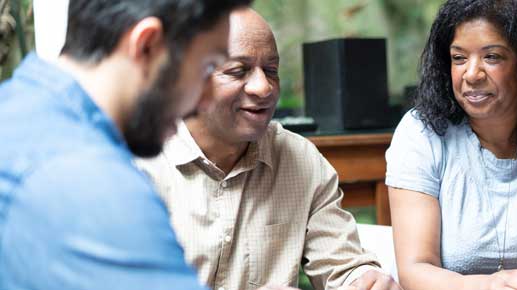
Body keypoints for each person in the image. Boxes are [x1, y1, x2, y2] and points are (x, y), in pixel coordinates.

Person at [0, 1, 298, 290]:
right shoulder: (89, 182)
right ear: (147, 45)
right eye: (208, 68)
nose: (205, 100)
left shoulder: (18, 110)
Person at [135, 8, 401, 290]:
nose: (264, 88)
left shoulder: (300, 159)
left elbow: (342, 265)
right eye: (238, 71)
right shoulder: (137, 163)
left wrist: (363, 280)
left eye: (271, 70)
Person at [385, 0, 517, 289]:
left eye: (492, 57)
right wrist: (487, 286)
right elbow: (415, 269)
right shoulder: (419, 132)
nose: (472, 74)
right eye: (459, 58)